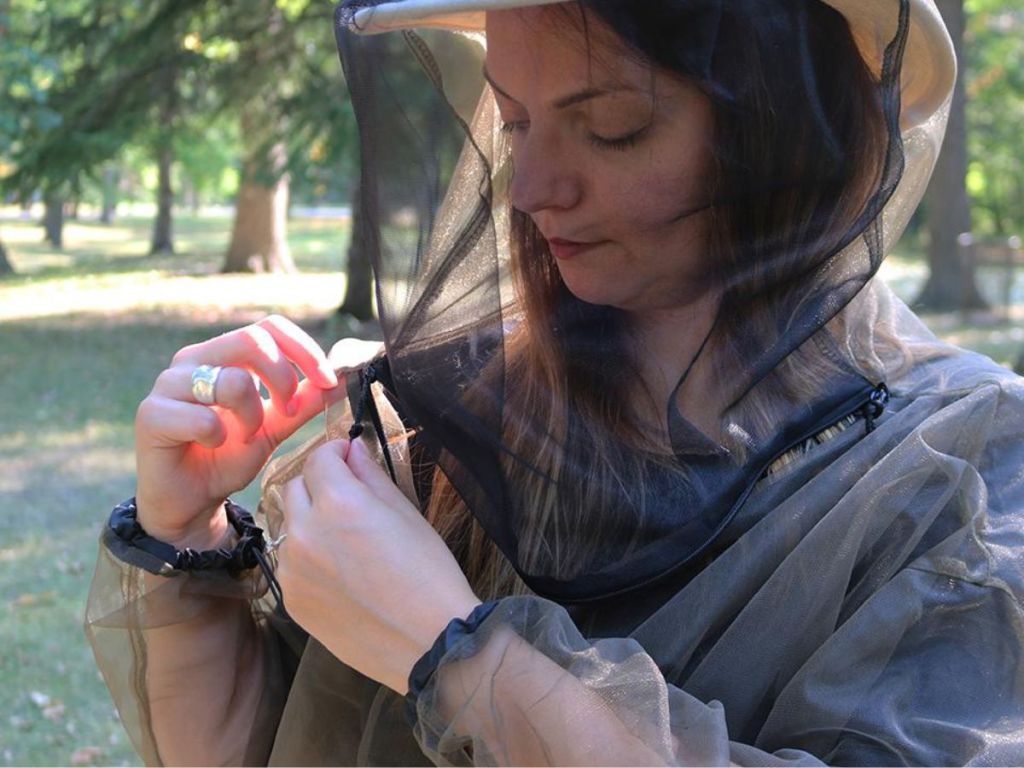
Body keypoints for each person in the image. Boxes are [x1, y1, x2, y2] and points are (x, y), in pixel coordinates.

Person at [85, 0, 1024, 764]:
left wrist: (454, 648)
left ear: (787, 131)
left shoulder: (969, 468)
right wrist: (188, 534)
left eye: (612, 126)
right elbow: (266, 747)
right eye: (516, 118)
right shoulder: (467, 406)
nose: (529, 185)